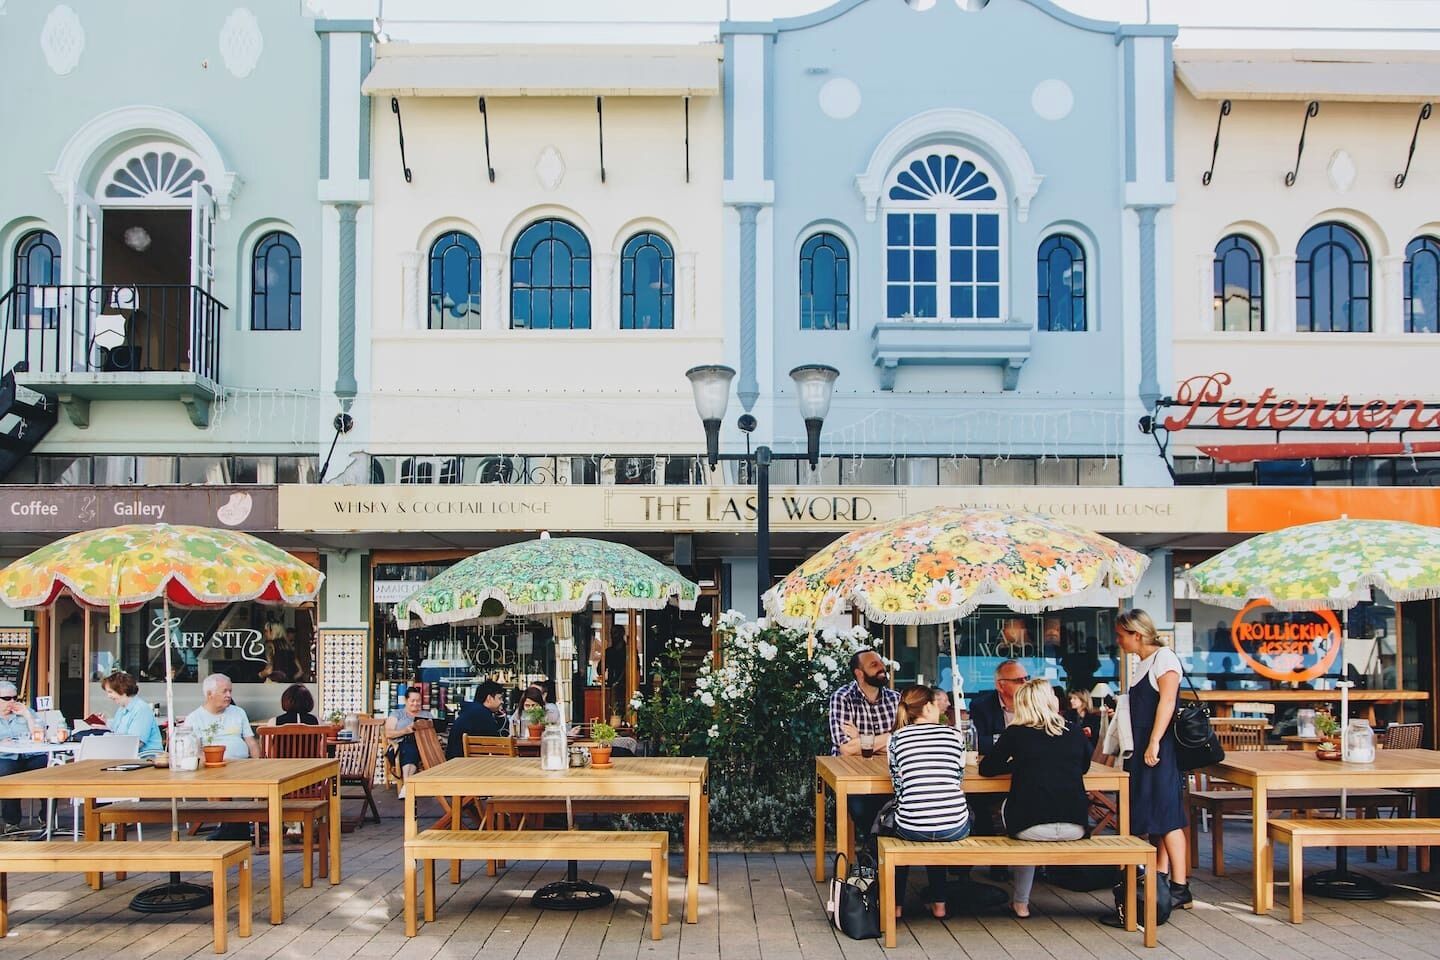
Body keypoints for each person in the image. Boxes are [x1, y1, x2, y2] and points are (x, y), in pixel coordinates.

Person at [979, 680, 1091, 918]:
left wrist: (1018, 763)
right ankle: (1021, 901)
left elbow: (987, 769)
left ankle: (1021, 904)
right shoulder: (1073, 731)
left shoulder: (1016, 733)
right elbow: (1083, 767)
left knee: (1019, 808)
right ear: (1049, 701)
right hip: (1076, 825)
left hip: (1030, 828)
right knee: (1031, 808)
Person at [1113, 608, 1192, 913]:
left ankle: (1180, 886)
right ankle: (1160, 878)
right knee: (1156, 816)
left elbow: (1168, 701)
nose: (1119, 641)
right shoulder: (1142, 663)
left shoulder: (1164, 658)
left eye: (1122, 635)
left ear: (1137, 634)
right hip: (1145, 747)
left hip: (1160, 748)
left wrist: (1155, 741)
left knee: (1167, 814)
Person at [888, 685, 970, 920]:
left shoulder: (896, 738)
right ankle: (940, 905)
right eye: (937, 704)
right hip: (955, 826)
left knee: (904, 827)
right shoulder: (954, 735)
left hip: (911, 826)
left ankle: (896, 907)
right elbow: (958, 779)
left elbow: (898, 786)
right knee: (939, 822)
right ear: (927, 706)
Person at [828, 649, 899, 848]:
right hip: (852, 778)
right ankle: (878, 857)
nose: (882, 668)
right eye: (874, 665)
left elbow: (901, 741)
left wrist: (860, 739)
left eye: (881, 663)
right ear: (859, 673)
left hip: (889, 776)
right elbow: (846, 749)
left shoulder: (895, 699)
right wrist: (887, 739)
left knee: (904, 806)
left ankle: (881, 859)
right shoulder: (842, 698)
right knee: (863, 811)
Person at [184, 673, 259, 760]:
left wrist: (257, 762)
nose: (229, 695)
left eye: (230, 691)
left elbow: (251, 743)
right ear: (209, 694)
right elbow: (195, 752)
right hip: (213, 767)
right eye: (224, 691)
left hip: (243, 764)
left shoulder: (239, 712)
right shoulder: (194, 718)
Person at [0, 681, 43, 833]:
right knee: (6, 772)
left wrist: (27, 715)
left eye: (15, 698)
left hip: (29, 755)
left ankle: (47, 817)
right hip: (5, 757)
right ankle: (11, 822)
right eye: (6, 698)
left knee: (48, 768)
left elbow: (40, 735)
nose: (12, 702)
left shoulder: (26, 712)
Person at [100, 671, 164, 757]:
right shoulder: (122, 708)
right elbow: (116, 733)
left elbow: (137, 743)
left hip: (146, 759)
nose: (108, 696)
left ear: (122, 690)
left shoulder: (141, 709)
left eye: (110, 692)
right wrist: (104, 723)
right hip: (128, 756)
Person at [386, 688, 432, 798]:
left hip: (420, 746)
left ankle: (406, 787)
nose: (415, 703)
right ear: (406, 700)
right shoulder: (397, 714)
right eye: (412, 700)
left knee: (414, 747)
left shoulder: (427, 715)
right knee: (409, 748)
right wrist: (405, 731)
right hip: (398, 747)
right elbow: (388, 734)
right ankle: (408, 785)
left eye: (418, 701)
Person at [446, 680, 506, 759]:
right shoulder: (483, 715)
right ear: (489, 698)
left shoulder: (472, 711)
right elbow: (496, 742)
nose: (502, 702)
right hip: (466, 764)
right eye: (500, 698)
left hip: (455, 761)